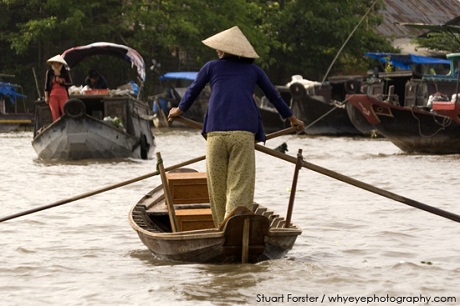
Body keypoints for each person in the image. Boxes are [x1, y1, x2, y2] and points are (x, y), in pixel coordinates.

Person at [168, 26, 304, 226]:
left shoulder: (211, 67)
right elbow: (274, 96)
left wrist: (178, 111)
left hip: (215, 134)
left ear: (225, 50)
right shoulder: (254, 70)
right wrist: (292, 119)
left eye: (219, 48)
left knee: (217, 187)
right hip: (242, 134)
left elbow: (193, 90)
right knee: (239, 186)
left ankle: (221, 229)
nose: (216, 51)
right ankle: (233, 228)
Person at [44, 54, 73, 122]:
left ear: (60, 64)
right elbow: (47, 85)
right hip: (53, 96)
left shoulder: (65, 72)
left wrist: (61, 82)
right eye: (53, 63)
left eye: (56, 63)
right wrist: (46, 97)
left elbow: (70, 83)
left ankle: (66, 126)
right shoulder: (49, 72)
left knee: (65, 112)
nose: (55, 65)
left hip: (63, 95)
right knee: (55, 114)